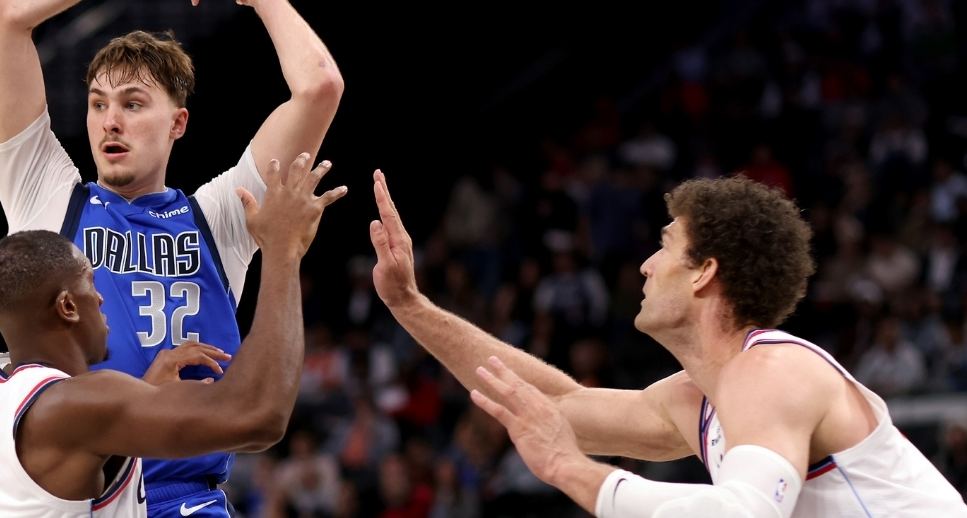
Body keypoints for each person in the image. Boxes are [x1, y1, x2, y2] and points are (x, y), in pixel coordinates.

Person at [0, 0, 342, 518]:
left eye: (133, 104)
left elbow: (319, 87)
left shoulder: (222, 216)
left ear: (178, 124)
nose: (109, 122)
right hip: (79, 491)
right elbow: (4, 12)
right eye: (97, 104)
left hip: (185, 500)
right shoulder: (46, 195)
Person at [367, 171, 967, 517]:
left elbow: (743, 515)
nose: (645, 267)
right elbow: (557, 402)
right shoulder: (698, 398)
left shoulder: (773, 370)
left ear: (704, 271)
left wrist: (574, 473)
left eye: (664, 246)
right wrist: (410, 306)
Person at [0, 153, 346, 517]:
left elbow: (62, 468)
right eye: (91, 281)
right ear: (68, 306)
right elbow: (261, 417)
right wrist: (284, 251)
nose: (101, 295)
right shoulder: (76, 406)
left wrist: (143, 393)